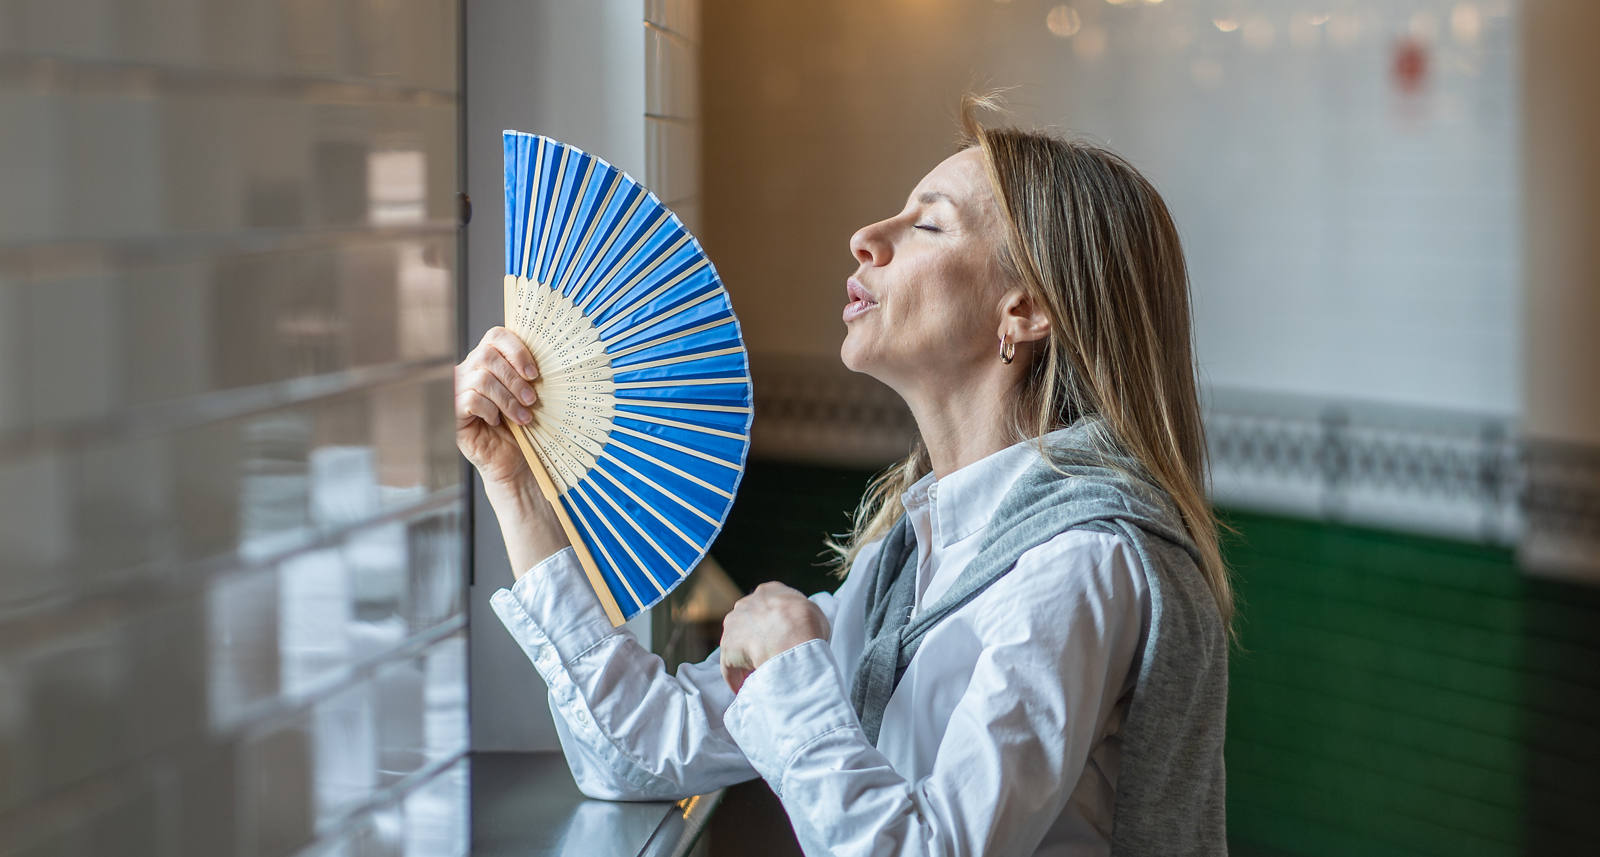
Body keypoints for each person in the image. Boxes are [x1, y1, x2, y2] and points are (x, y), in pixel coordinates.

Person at [455, 97, 1232, 857]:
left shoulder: (1077, 563)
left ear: (1024, 310)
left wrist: (794, 672)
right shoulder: (906, 565)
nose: (866, 237)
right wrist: (514, 481)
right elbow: (635, 753)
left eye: (927, 224)